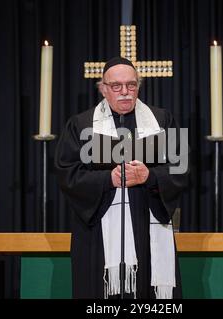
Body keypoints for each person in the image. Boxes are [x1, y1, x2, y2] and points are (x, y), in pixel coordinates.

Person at [55, 56, 188, 299]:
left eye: (131, 85)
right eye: (116, 86)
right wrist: (108, 179)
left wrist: (150, 176)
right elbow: (67, 174)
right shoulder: (81, 125)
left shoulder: (161, 121)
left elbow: (181, 168)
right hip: (98, 235)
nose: (125, 92)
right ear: (103, 89)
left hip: (147, 228)